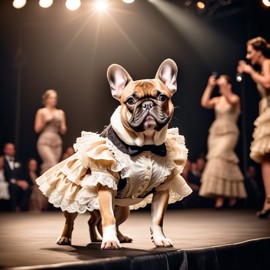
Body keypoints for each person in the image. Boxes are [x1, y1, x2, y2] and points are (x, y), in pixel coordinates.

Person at [199, 74, 247, 209]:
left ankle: (229, 195)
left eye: (223, 82)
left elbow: (231, 101)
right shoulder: (218, 100)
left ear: (229, 85)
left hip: (230, 132)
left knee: (220, 157)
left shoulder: (235, 98)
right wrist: (210, 86)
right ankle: (222, 196)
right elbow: (204, 103)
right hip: (215, 134)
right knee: (219, 160)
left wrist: (224, 86)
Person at [237, 36, 270, 218]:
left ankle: (268, 200)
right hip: (266, 110)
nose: (249, 56)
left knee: (266, 157)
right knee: (266, 157)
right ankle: (268, 199)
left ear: (259, 51)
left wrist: (250, 71)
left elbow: (268, 83)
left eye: (250, 52)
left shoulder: (267, 63)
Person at [34, 89, 67, 174]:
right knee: (53, 165)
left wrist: (60, 124)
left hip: (56, 141)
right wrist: (45, 121)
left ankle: (42, 187)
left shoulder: (60, 112)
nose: (54, 100)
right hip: (44, 141)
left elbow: (63, 130)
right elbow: (37, 129)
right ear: (46, 99)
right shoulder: (41, 111)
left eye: (55, 98)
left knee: (47, 167)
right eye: (51, 98)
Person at [3, 143, 32, 211]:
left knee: (28, 188)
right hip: (6, 182)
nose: (11, 150)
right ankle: (13, 208)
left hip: (18, 182)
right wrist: (16, 182)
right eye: (9, 149)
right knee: (13, 187)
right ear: (5, 150)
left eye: (12, 149)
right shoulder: (2, 161)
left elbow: (21, 175)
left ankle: (21, 208)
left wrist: (23, 182)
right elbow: (4, 175)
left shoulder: (18, 161)